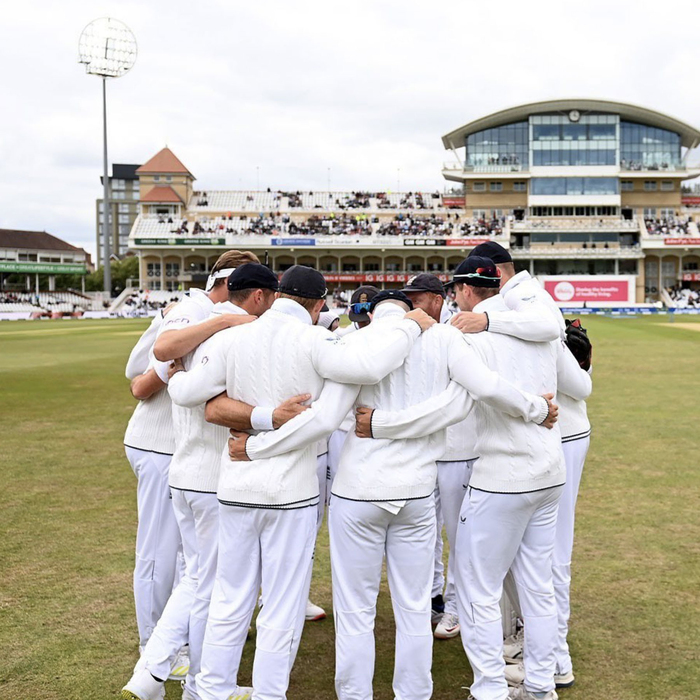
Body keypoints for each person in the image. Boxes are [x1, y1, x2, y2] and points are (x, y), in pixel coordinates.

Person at [229, 288, 557, 700]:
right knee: (415, 608)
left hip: (359, 491)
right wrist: (536, 408)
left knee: (355, 612)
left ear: (373, 314)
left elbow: (325, 419)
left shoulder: (356, 341)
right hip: (416, 490)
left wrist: (256, 447)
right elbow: (479, 391)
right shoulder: (441, 338)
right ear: (410, 311)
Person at [167, 266, 434, 700]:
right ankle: (268, 695)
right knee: (280, 606)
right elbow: (368, 365)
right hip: (289, 491)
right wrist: (408, 325)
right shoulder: (314, 339)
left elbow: (185, 393)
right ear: (317, 304)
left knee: (228, 600)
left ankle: (209, 692)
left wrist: (178, 373)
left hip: (235, 486)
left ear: (276, 296)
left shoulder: (234, 337)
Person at [121, 264, 290, 700]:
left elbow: (173, 375)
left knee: (199, 579)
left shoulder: (202, 332)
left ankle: (165, 676)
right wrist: (268, 416)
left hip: (186, 472)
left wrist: (177, 378)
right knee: (212, 585)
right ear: (257, 296)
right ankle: (175, 678)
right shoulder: (225, 332)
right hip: (215, 476)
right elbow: (210, 403)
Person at [449, 257, 591, 700]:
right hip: (548, 471)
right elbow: (581, 386)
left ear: (467, 292)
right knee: (538, 585)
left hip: (501, 476)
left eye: (456, 292)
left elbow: (471, 398)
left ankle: (489, 689)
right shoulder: (543, 331)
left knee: (479, 589)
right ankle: (542, 686)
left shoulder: (468, 337)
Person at [123, 310, 180, 658]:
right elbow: (135, 376)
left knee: (185, 556)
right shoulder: (185, 315)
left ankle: (176, 635)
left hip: (180, 451)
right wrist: (161, 320)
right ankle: (154, 648)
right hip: (157, 446)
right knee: (158, 552)